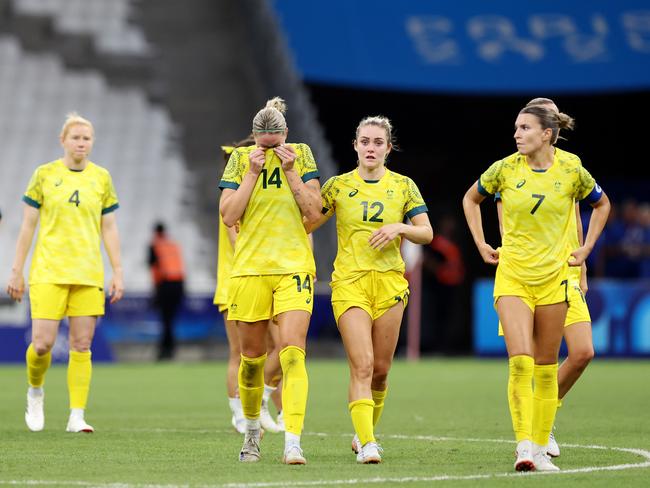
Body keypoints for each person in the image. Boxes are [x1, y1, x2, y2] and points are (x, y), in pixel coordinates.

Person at [462, 105, 610, 471]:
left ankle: (542, 447)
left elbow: (601, 204)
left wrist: (586, 248)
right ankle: (524, 446)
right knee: (521, 361)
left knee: (547, 367)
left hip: (556, 278)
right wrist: (481, 243)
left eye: (524, 127)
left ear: (547, 133)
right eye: (515, 127)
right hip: (513, 275)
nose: (516, 133)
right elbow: (470, 199)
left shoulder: (572, 168)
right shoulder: (505, 169)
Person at [305, 116, 433, 463]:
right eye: (365, 141)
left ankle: (365, 436)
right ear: (355, 146)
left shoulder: (404, 186)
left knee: (380, 370)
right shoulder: (337, 186)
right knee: (361, 365)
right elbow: (307, 223)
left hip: (391, 283)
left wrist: (399, 228)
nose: (371, 147)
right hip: (350, 283)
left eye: (378, 142)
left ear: (388, 148)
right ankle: (369, 443)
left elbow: (427, 232)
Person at [6, 112, 124, 433]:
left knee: (82, 345)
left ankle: (77, 415)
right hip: (48, 271)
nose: (81, 143)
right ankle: (35, 391)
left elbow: (109, 227)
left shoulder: (101, 178)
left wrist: (117, 271)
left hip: (87, 274)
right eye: (76, 137)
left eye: (86, 138)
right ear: (63, 140)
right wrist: (16, 271)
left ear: (92, 142)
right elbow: (28, 226)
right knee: (42, 344)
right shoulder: (44, 175)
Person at [219, 97, 322, 464]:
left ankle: (293, 441)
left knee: (293, 353)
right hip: (249, 270)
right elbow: (229, 215)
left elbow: (314, 211)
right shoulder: (238, 160)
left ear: (286, 135)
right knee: (251, 361)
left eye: (275, 143)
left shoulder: (303, 155)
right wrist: (251, 172)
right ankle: (251, 433)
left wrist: (292, 171)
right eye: (264, 145)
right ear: (256, 140)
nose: (270, 150)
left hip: (293, 267)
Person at [494, 98, 596, 458]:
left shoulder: (570, 167)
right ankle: (535, 430)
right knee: (536, 358)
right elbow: (506, 217)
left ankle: (545, 414)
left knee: (583, 351)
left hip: (565, 270)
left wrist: (582, 265)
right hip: (528, 271)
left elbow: (579, 215)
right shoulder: (511, 172)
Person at [215, 140, 284, 435]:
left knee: (281, 346)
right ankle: (240, 413)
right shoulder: (235, 200)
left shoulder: (259, 196)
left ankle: (268, 404)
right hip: (238, 281)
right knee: (240, 352)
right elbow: (238, 241)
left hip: (266, 278)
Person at [149, 222, 185, 360]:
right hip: (178, 284)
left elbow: (154, 270)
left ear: (156, 232)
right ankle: (169, 348)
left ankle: (165, 351)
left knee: (165, 319)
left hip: (165, 285)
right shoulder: (173, 245)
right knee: (171, 319)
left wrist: (156, 292)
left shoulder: (154, 246)